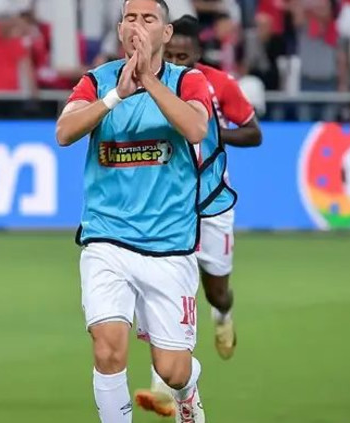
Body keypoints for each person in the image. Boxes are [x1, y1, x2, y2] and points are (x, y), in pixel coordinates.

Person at [56, 1, 234, 421]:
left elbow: (195, 128)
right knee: (108, 349)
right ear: (120, 29)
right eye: (131, 18)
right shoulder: (97, 81)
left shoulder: (188, 81)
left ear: (166, 33)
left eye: (148, 19)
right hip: (107, 239)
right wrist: (116, 95)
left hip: (169, 245)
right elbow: (64, 132)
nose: (137, 26)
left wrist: (148, 80)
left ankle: (186, 391)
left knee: (172, 371)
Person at [131, 14, 261, 417]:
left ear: (198, 54)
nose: (176, 62)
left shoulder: (219, 84)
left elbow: (254, 132)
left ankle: (223, 314)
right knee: (167, 292)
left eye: (183, 56)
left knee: (215, 290)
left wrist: (214, 132)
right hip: (169, 210)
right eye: (170, 54)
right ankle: (163, 387)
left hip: (213, 204)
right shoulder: (148, 83)